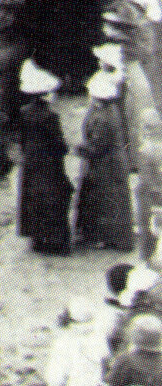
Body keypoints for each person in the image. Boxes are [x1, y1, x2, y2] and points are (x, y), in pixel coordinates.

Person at [75, 66, 137, 253]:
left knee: (106, 201)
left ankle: (107, 237)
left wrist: (79, 149)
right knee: (112, 201)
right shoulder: (109, 110)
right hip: (110, 163)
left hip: (106, 166)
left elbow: (97, 146)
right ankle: (111, 237)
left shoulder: (103, 118)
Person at [17, 60, 74, 254]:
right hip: (49, 164)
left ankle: (37, 238)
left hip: (31, 162)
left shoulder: (24, 112)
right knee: (53, 199)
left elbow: (22, 138)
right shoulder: (50, 117)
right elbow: (59, 144)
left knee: (34, 199)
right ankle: (55, 242)